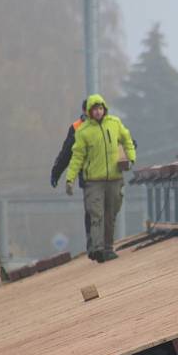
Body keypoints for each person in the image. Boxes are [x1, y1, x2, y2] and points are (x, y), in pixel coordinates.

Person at [65, 94, 136, 263]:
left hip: (115, 178)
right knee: (96, 214)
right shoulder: (83, 132)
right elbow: (77, 157)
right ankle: (98, 248)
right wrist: (70, 178)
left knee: (111, 214)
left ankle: (108, 247)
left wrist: (131, 158)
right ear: (89, 112)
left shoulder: (115, 123)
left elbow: (127, 140)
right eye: (94, 109)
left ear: (104, 109)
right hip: (94, 181)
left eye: (100, 108)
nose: (98, 112)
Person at [51, 100, 92, 251]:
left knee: (107, 209)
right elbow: (67, 152)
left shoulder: (108, 124)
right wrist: (57, 171)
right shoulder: (76, 128)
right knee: (91, 209)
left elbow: (117, 140)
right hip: (88, 176)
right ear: (84, 110)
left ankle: (104, 242)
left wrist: (130, 145)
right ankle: (93, 241)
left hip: (107, 175)